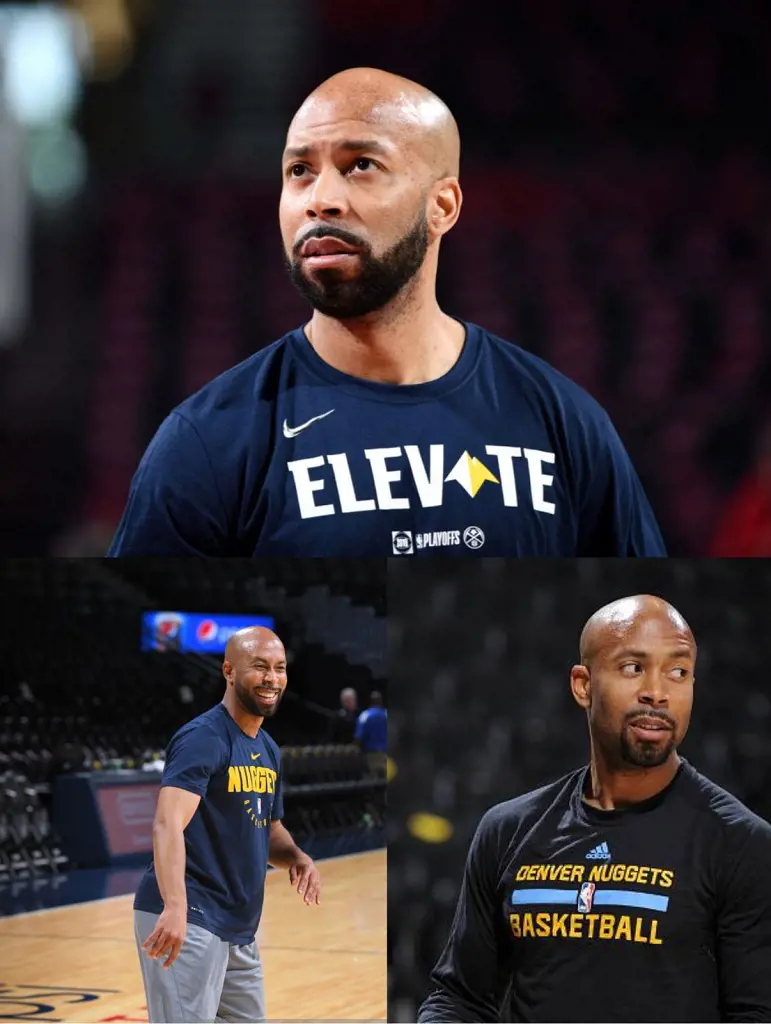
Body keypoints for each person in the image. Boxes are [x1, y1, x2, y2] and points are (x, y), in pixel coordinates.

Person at [107, 67, 664, 558]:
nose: (318, 199)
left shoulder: (563, 422)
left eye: (361, 165)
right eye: (299, 170)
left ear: (442, 206)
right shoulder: (206, 441)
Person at [418, 595, 771, 1023]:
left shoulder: (740, 843)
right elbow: (459, 998)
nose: (657, 692)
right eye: (633, 668)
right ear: (583, 685)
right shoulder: (507, 830)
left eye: (678, 672)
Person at [133, 626, 321, 1024]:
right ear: (229, 671)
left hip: (238, 927)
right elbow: (167, 824)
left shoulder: (267, 748)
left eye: (280, 668)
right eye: (259, 667)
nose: (272, 678)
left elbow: (267, 828)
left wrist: (297, 858)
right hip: (191, 914)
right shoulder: (204, 737)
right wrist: (175, 905)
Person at [355, 690, 387, 775]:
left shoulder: (365, 716)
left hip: (371, 755)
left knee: (371, 783)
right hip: (387, 755)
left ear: (370, 701)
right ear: (381, 701)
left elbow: (358, 737)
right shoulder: (386, 714)